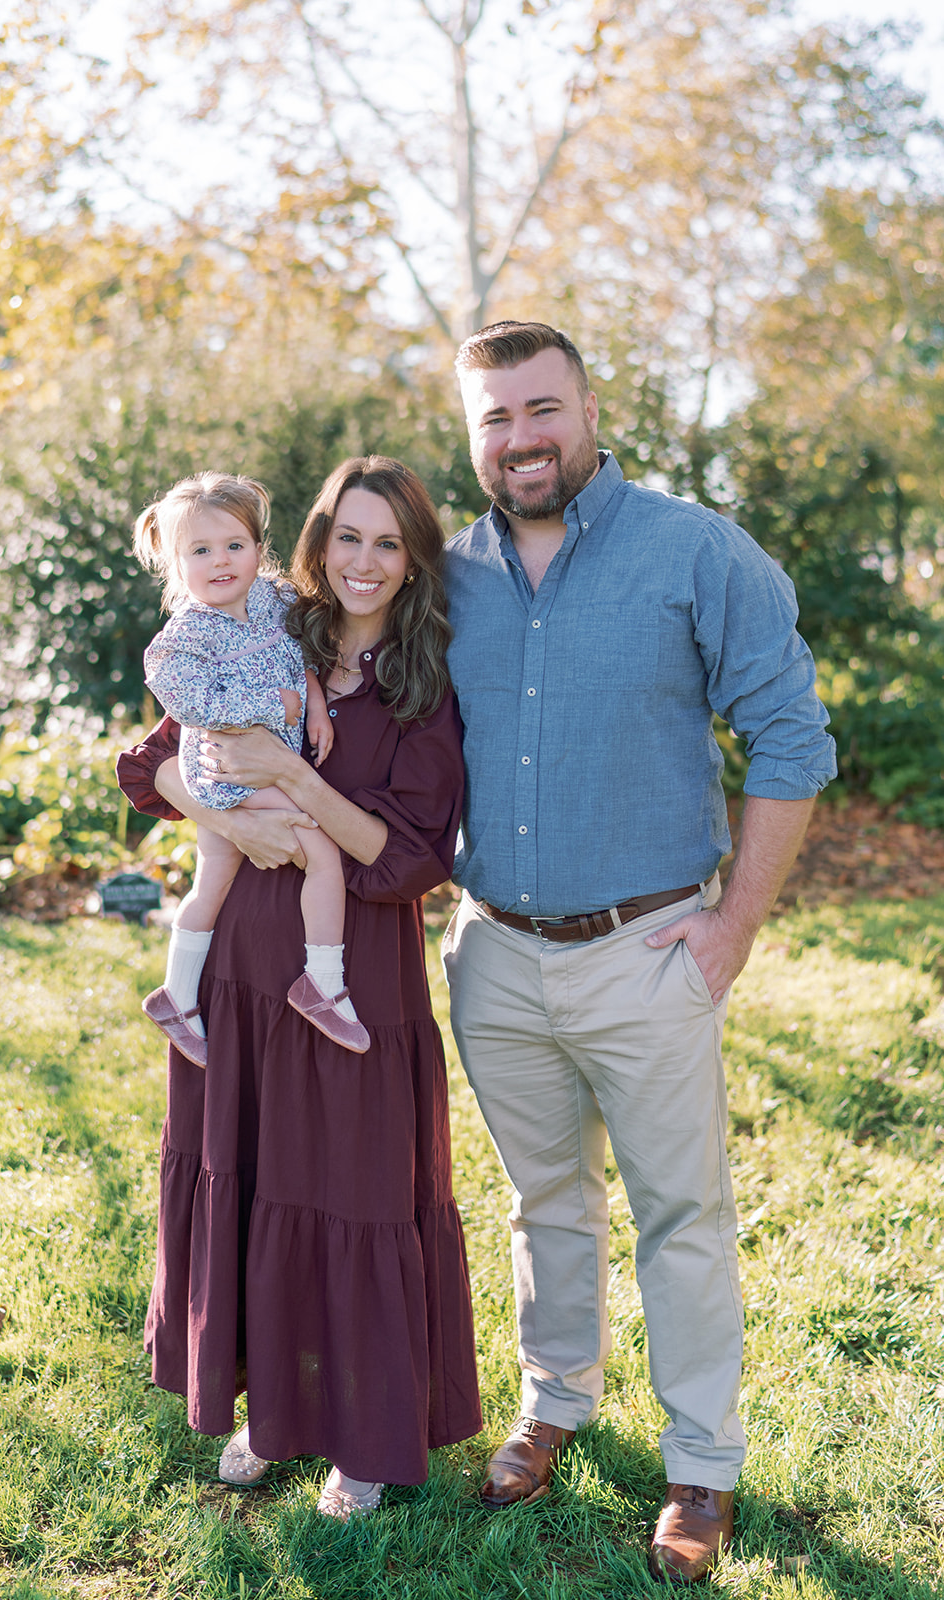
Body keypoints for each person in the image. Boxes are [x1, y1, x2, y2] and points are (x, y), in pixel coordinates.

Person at [440, 321, 836, 1581]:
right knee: (541, 1200)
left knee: (681, 1215)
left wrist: (728, 934)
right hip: (493, 954)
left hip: (648, 950)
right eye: (494, 418)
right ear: (473, 434)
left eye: (540, 408)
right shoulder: (440, 575)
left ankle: (699, 1465)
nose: (521, 438)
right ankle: (554, 1402)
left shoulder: (693, 552)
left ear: (589, 407)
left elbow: (790, 740)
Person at [117, 455, 482, 1520]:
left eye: (387, 543)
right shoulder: (264, 632)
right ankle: (267, 1410)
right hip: (238, 963)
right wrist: (228, 818)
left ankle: (362, 1438)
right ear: (316, 545)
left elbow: (410, 857)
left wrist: (292, 779)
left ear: (412, 559)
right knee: (259, 1180)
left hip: (351, 974)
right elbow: (153, 766)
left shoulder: (422, 686)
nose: (363, 563)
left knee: (348, 1189)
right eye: (346, 538)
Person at [132, 470, 369, 1067]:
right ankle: (324, 979)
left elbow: (301, 659)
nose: (221, 562)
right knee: (320, 845)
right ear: (173, 562)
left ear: (259, 549)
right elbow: (192, 706)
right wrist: (276, 707)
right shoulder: (181, 639)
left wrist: (313, 704)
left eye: (235, 546)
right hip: (227, 774)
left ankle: (177, 995)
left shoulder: (274, 599)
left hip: (267, 765)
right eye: (200, 551)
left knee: (210, 883)